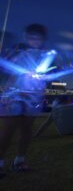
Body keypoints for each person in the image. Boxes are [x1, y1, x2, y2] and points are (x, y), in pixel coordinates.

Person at [0, 24, 52, 177]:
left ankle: (20, 160)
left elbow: (52, 73)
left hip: (34, 94)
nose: (34, 41)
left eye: (38, 38)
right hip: (14, 94)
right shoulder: (16, 50)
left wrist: (44, 77)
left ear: (43, 39)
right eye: (31, 38)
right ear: (26, 37)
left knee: (27, 128)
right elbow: (6, 69)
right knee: (7, 129)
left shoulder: (47, 54)